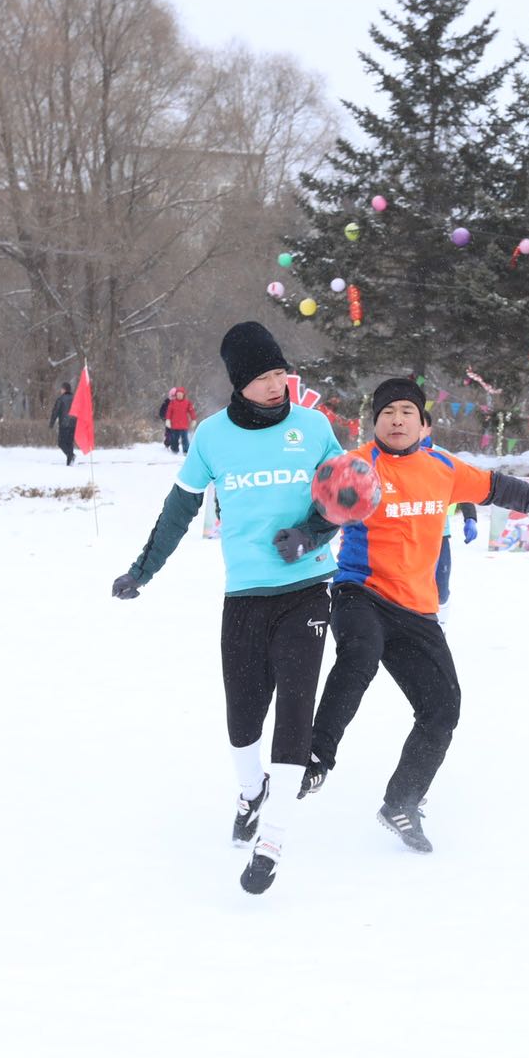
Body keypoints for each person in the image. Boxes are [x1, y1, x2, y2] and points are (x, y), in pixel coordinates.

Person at [277, 377, 529, 853]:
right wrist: (304, 538)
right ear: (374, 421)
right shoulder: (356, 465)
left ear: (424, 423)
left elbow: (499, 487)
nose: (396, 419)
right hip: (362, 591)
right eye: (387, 412)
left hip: (417, 607)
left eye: (406, 412)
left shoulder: (443, 467)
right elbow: (325, 513)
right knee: (360, 655)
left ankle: (402, 801)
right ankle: (317, 755)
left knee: (442, 709)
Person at [112, 322, 343, 895]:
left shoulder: (313, 428)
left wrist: (311, 537)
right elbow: (178, 510)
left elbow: (352, 491)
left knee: (295, 711)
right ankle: (251, 793)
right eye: (262, 377)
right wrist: (143, 569)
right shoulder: (213, 437)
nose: (275, 385)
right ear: (239, 382)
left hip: (308, 590)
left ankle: (272, 844)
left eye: (279, 374)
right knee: (243, 719)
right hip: (244, 594)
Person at [161, 386, 197, 455]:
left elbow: (191, 411)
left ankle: (186, 451)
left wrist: (193, 419)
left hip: (184, 425)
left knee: (185, 439)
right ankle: (174, 450)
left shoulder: (187, 402)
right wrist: (168, 420)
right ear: (176, 395)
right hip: (174, 425)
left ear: (183, 395)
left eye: (181, 394)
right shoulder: (172, 402)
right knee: (174, 439)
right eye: (178, 394)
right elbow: (169, 412)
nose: (179, 395)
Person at [49, 382, 75, 465]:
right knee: (69, 443)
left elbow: (55, 412)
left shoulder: (61, 399)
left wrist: (51, 423)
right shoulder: (75, 398)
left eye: (61, 389)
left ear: (64, 389)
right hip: (74, 424)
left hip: (64, 424)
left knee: (61, 443)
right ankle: (69, 461)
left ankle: (70, 455)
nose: (60, 390)